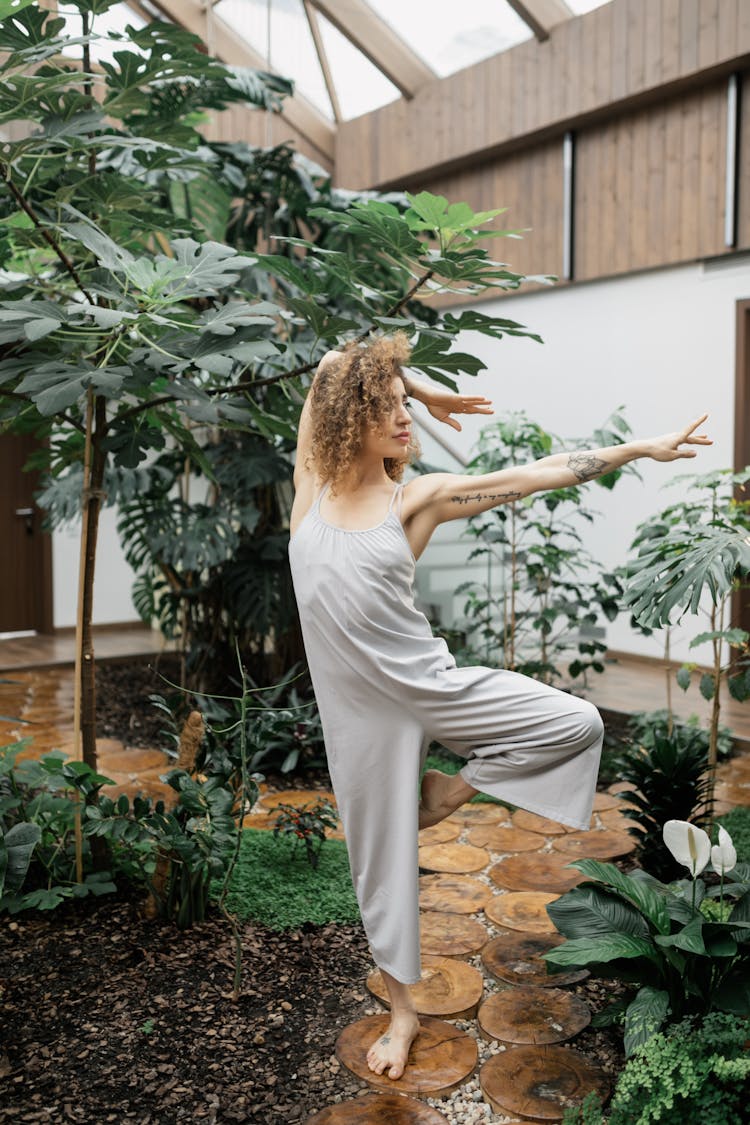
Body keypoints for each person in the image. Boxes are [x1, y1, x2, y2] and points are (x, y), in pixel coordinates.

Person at [287, 333, 711, 1082]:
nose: (404, 419)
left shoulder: (413, 500)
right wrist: (417, 386)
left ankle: (449, 792)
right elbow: (329, 366)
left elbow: (534, 475)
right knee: (378, 866)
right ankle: (405, 1012)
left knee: (575, 722)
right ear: (349, 417)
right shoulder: (310, 488)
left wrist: (639, 449)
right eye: (385, 408)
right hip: (360, 712)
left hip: (430, 682)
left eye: (403, 407)